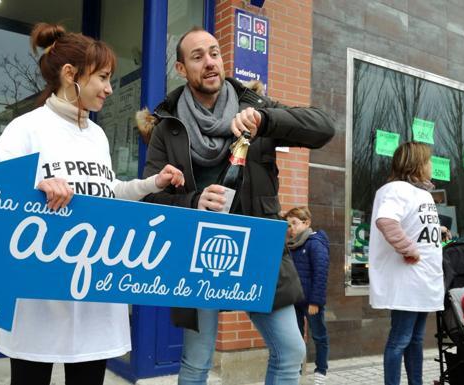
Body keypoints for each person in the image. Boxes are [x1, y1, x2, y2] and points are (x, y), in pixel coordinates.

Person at [0, 23, 184, 385]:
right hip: (40, 292)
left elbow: (107, 193)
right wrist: (38, 185)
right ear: (70, 75)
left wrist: (152, 184)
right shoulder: (27, 127)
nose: (110, 88)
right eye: (104, 77)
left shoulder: (96, 135)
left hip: (95, 289)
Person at [139, 27, 335, 385]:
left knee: (291, 351)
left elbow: (324, 128)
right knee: (198, 360)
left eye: (214, 52)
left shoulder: (256, 108)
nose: (210, 62)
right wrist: (194, 201)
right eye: (197, 56)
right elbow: (151, 199)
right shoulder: (168, 127)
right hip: (198, 254)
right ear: (181, 69)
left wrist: (267, 121)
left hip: (260, 250)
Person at [368, 142, 444, 385]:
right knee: (400, 339)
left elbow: (410, 223)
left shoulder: (421, 193)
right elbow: (387, 220)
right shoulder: (397, 189)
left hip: (422, 281)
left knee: (416, 339)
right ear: (417, 164)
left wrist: (436, 229)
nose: (432, 165)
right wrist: (409, 249)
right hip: (407, 281)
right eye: (429, 161)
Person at [284, 207, 330, 384]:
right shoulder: (291, 245)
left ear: (307, 223)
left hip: (311, 301)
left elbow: (321, 273)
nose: (291, 228)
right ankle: (296, 370)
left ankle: (321, 370)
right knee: (295, 337)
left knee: (318, 335)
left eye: (294, 223)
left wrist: (316, 302)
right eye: (288, 225)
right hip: (294, 300)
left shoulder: (315, 243)